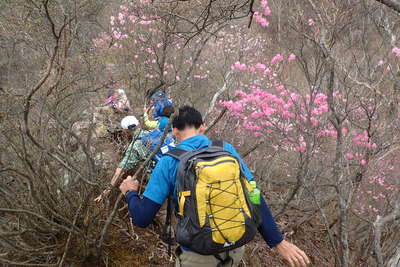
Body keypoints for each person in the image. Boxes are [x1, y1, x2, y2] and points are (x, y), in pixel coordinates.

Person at [119, 106, 310, 267]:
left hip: (197, 257)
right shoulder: (226, 149)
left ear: (174, 132)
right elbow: (254, 194)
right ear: (203, 127)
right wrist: (277, 241)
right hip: (234, 249)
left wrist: (130, 192)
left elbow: (142, 218)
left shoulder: (169, 162)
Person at [94, 115, 149, 202]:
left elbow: (119, 172)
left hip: (159, 179)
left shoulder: (134, 147)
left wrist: (106, 191)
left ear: (126, 131)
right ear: (138, 125)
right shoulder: (151, 133)